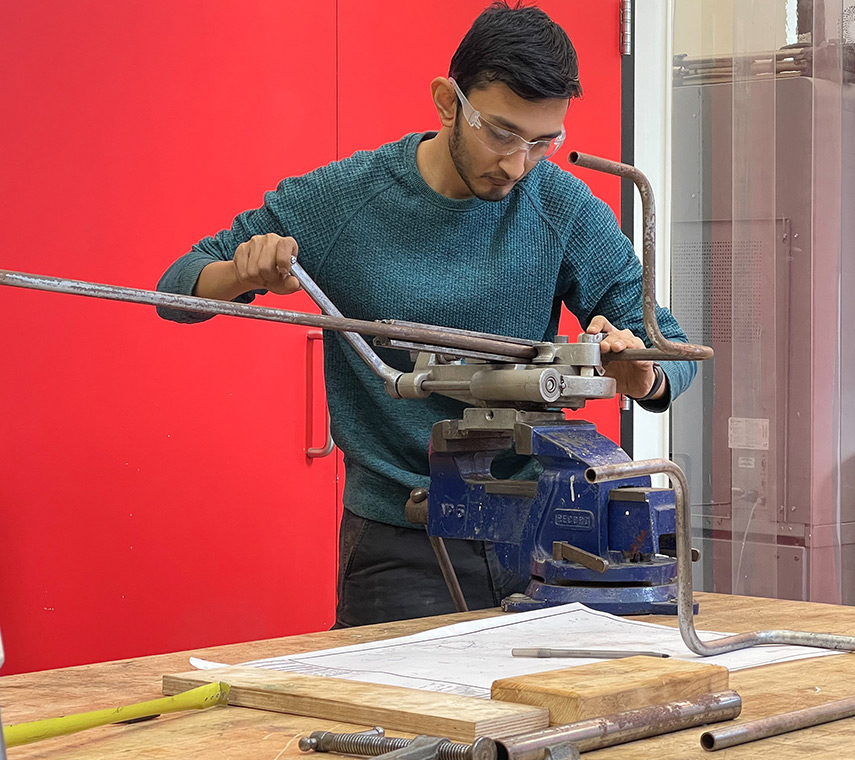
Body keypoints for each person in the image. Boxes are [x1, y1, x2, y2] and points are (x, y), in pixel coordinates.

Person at [156, 1, 695, 627]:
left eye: (543, 142)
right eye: (501, 133)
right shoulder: (346, 199)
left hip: (540, 530)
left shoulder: (560, 206)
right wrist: (241, 271)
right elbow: (175, 292)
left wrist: (642, 372)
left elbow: (670, 343)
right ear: (448, 102)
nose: (517, 165)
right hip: (399, 538)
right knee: (406, 723)